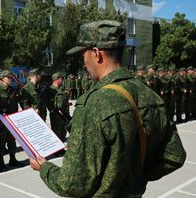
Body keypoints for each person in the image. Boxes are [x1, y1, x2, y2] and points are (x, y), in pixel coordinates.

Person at [29, 20, 186, 197]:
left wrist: (44, 168)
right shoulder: (149, 95)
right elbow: (174, 155)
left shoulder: (94, 103)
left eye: (83, 56)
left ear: (96, 54)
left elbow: (72, 184)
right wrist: (135, 176)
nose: (83, 64)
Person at [0, 70, 23, 171]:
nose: (10, 79)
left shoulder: (12, 90)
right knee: (1, 141)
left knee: (11, 140)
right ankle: (1, 162)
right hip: (2, 120)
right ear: (1, 79)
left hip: (12, 119)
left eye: (10, 78)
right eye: (8, 78)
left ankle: (12, 159)